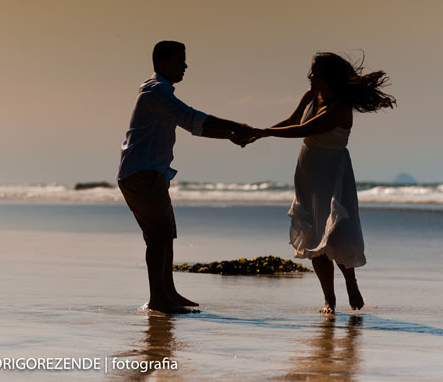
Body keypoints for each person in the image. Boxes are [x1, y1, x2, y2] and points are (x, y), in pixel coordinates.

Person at [248, 52, 395, 314]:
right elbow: (293, 122)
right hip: (308, 173)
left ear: (329, 76)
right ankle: (329, 299)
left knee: (336, 235)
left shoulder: (340, 108)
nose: (310, 75)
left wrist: (262, 132)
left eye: (315, 72)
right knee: (314, 237)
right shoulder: (311, 96)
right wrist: (259, 134)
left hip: (332, 173)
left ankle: (351, 283)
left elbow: (304, 130)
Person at [117, 40, 252, 314]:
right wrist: (237, 126)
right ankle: (158, 299)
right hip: (142, 173)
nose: (186, 66)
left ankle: (168, 293)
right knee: (158, 238)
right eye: (180, 60)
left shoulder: (161, 91)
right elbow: (191, 117)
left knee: (165, 235)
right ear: (163, 62)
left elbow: (193, 126)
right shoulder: (156, 90)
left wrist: (230, 135)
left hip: (148, 173)